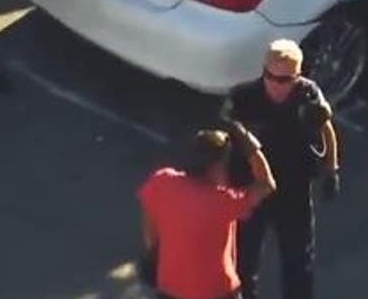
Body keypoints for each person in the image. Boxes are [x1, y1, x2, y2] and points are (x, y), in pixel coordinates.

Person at [223, 39, 340, 299]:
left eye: (284, 79)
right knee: (244, 259)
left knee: (299, 259)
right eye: (270, 76)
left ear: (297, 76)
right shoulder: (243, 98)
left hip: (293, 187)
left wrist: (331, 170)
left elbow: (327, 129)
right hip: (252, 189)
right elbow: (223, 145)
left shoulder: (308, 96)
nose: (276, 84)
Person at [138, 123, 277, 299]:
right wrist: (251, 145)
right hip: (217, 291)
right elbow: (266, 185)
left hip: (170, 288)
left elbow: (149, 227)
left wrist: (159, 251)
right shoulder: (223, 201)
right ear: (215, 167)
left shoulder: (163, 181)